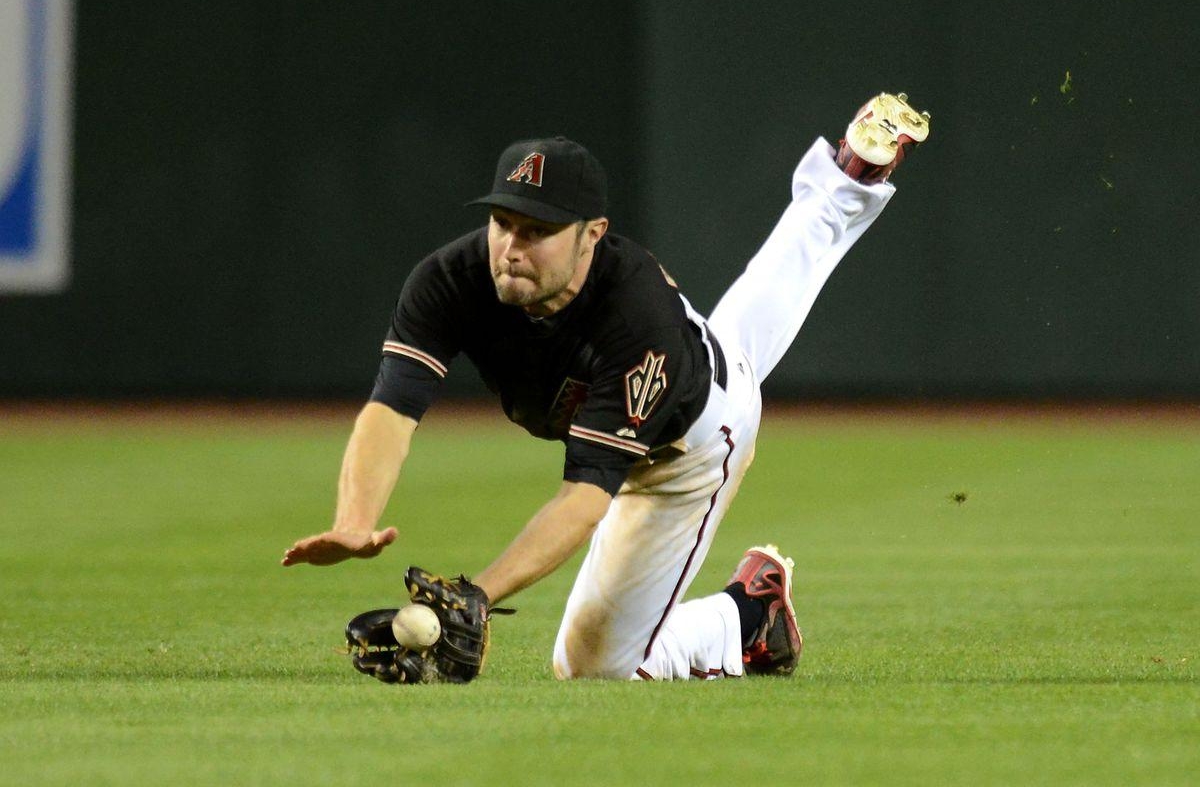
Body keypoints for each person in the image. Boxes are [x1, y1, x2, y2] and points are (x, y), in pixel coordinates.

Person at [282, 92, 930, 681]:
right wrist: (353, 521)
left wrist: (478, 594)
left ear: (592, 234)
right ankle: (843, 185)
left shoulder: (632, 317)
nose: (511, 246)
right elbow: (392, 407)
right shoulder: (451, 280)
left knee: (591, 667)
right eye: (503, 221)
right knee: (741, 328)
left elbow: (586, 498)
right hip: (680, 357)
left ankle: (745, 618)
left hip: (689, 450)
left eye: (537, 231)